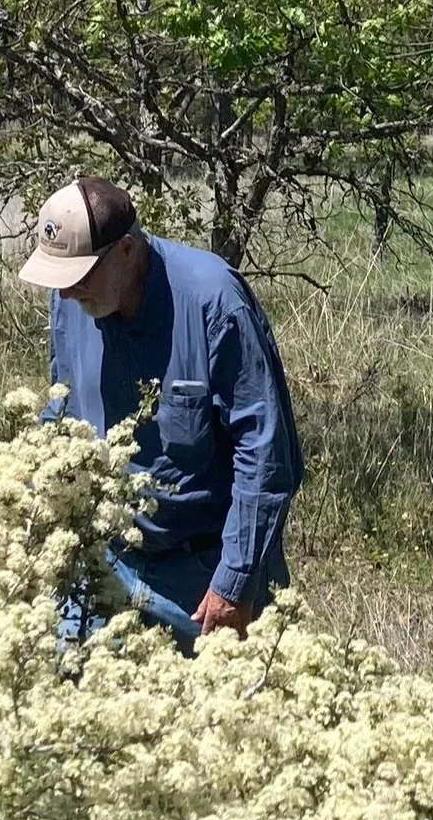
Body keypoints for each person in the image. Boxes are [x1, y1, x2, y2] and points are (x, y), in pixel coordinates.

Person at [21, 174, 304, 642]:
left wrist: (233, 584)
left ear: (127, 252)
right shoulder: (73, 299)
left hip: (205, 575)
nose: (66, 294)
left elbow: (266, 456)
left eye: (76, 277)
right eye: (59, 280)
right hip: (105, 560)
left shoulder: (214, 302)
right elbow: (62, 410)